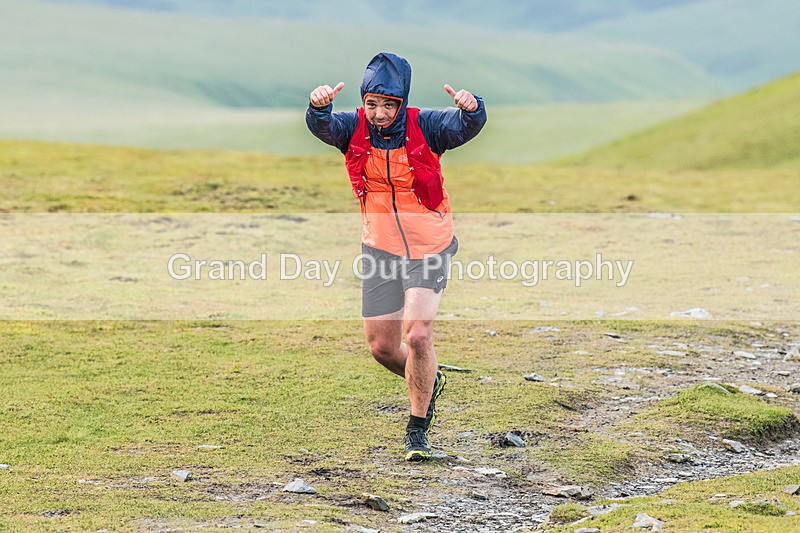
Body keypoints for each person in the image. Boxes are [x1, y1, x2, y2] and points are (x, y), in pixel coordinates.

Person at [306, 52, 486, 461]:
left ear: (402, 102)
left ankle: (417, 431)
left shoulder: (428, 126)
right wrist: (318, 108)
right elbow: (324, 126)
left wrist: (473, 108)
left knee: (418, 336)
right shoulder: (353, 127)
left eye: (388, 105)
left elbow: (466, 125)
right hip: (380, 248)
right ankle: (429, 378)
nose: (379, 113)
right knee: (382, 348)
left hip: (430, 247)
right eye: (372, 104)